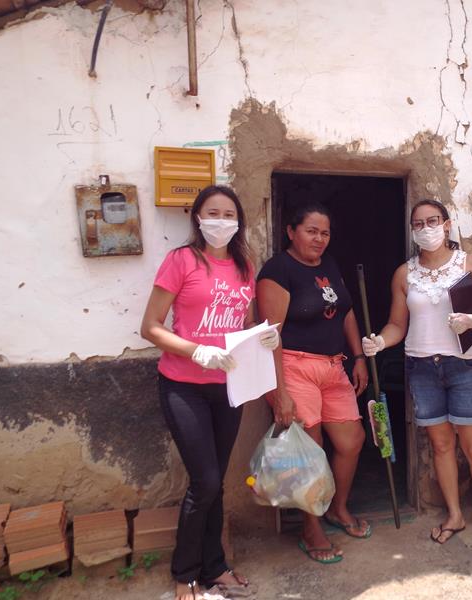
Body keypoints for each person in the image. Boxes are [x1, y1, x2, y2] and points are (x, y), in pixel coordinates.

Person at [141, 185, 279, 600]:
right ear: (198, 218)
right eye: (212, 212)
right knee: (204, 481)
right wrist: (196, 350)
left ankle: (215, 566)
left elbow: (246, 323)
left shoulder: (244, 264)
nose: (221, 220)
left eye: (229, 214)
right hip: (183, 385)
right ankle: (185, 574)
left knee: (215, 483)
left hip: (228, 387)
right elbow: (150, 326)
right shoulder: (180, 261)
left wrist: (264, 337)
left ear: (238, 222)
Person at [362, 199, 472, 551]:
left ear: (447, 224)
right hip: (421, 367)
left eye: (432, 221)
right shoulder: (405, 273)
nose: (425, 228)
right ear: (412, 230)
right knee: (441, 446)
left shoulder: (469, 264)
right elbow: (399, 324)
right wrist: (381, 341)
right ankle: (455, 514)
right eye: (418, 223)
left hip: (466, 365)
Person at [256, 203, 370, 564]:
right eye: (311, 231)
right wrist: (280, 391)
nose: (319, 239)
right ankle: (312, 528)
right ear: (291, 231)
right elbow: (270, 335)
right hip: (294, 366)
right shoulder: (277, 270)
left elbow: (347, 310)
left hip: (333, 368)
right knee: (311, 452)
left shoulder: (330, 265)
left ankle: (336, 508)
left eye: (325, 232)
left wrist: (359, 357)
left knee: (352, 440)